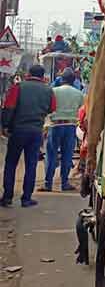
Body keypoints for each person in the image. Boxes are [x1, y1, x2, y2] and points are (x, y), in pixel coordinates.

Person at [1, 65, 56, 207]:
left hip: (18, 130)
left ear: (28, 74)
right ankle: (26, 199)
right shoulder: (48, 90)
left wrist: (5, 126)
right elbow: (52, 108)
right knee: (31, 165)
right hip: (36, 131)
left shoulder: (18, 87)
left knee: (11, 163)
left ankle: (7, 197)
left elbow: (9, 107)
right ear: (42, 75)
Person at [40, 68, 84, 192]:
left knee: (51, 155)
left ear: (61, 79)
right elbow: (82, 111)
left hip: (55, 126)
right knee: (67, 155)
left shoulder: (53, 91)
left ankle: (48, 184)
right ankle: (64, 183)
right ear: (73, 80)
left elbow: (46, 108)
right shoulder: (79, 94)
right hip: (70, 126)